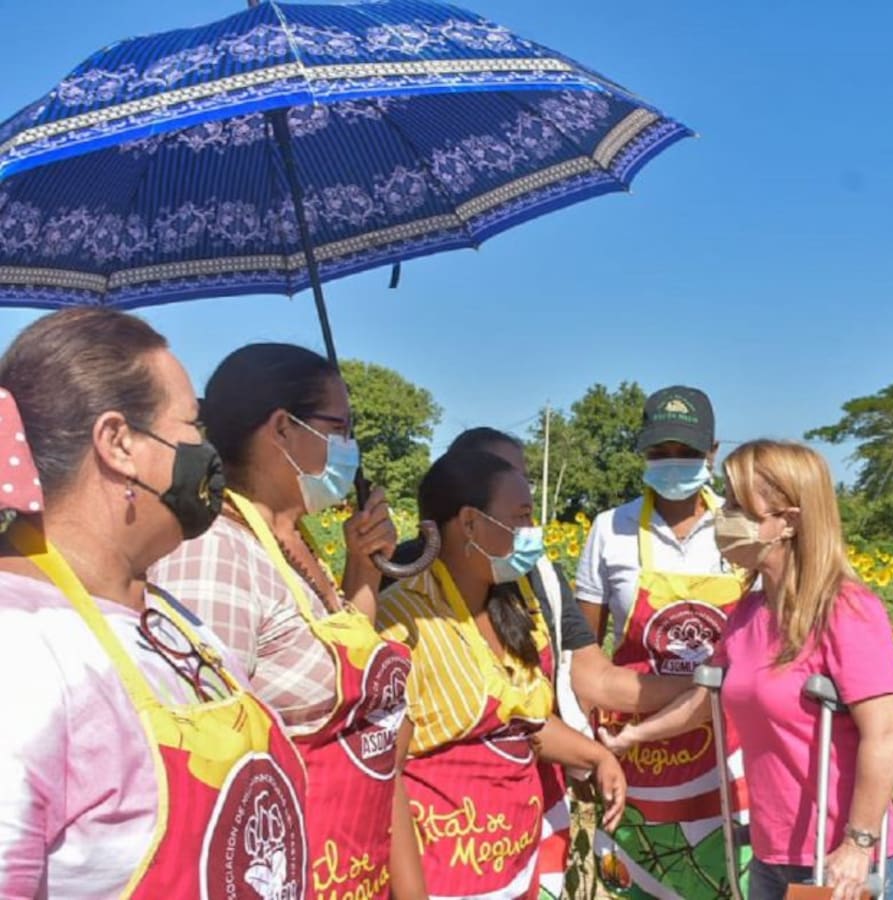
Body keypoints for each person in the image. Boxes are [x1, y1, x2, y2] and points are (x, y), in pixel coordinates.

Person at [0, 310, 309, 898]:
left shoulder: (172, 620)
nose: (207, 451)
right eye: (193, 426)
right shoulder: (18, 652)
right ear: (119, 443)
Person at [150, 343, 423, 900]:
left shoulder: (293, 544)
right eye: (340, 428)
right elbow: (203, 759)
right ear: (281, 427)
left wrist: (363, 569)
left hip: (348, 868)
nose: (351, 447)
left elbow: (341, 670)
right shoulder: (214, 553)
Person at [600, 440, 893, 900]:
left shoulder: (846, 610)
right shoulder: (749, 612)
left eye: (738, 505)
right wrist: (634, 737)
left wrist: (858, 843)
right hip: (771, 852)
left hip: (834, 861)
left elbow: (885, 733)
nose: (722, 515)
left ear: (788, 521)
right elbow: (708, 700)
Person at [399, 427, 697, 900]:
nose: (530, 531)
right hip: (442, 851)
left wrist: (710, 687)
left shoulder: (530, 581)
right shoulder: (401, 602)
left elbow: (558, 698)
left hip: (524, 825)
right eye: (517, 510)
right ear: (468, 516)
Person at [376, 450, 627, 900]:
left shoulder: (516, 605)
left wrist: (597, 756)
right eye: (523, 517)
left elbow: (522, 721)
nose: (534, 533)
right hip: (442, 878)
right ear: (469, 523)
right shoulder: (400, 622)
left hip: (515, 864)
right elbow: (382, 774)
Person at [575, 385, 749, 899]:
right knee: (636, 881)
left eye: (687, 454)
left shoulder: (739, 529)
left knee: (723, 876)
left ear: (712, 453)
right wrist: (588, 749)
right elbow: (583, 651)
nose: (673, 465)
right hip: (635, 753)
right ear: (643, 452)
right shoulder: (611, 529)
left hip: (726, 753)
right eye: (660, 453)